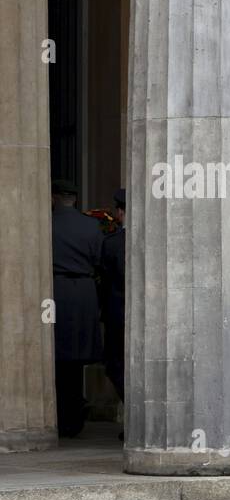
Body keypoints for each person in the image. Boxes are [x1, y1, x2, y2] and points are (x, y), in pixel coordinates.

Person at [50, 181, 103, 438]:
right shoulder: (91, 225)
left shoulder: (47, 222)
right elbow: (99, 260)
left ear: (54, 198)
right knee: (76, 357)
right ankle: (73, 412)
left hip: (55, 290)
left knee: (58, 356)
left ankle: (64, 414)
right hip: (84, 294)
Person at [99, 188, 127, 416]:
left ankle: (136, 417)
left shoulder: (112, 243)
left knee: (115, 365)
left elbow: (106, 280)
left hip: (118, 313)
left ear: (120, 213)